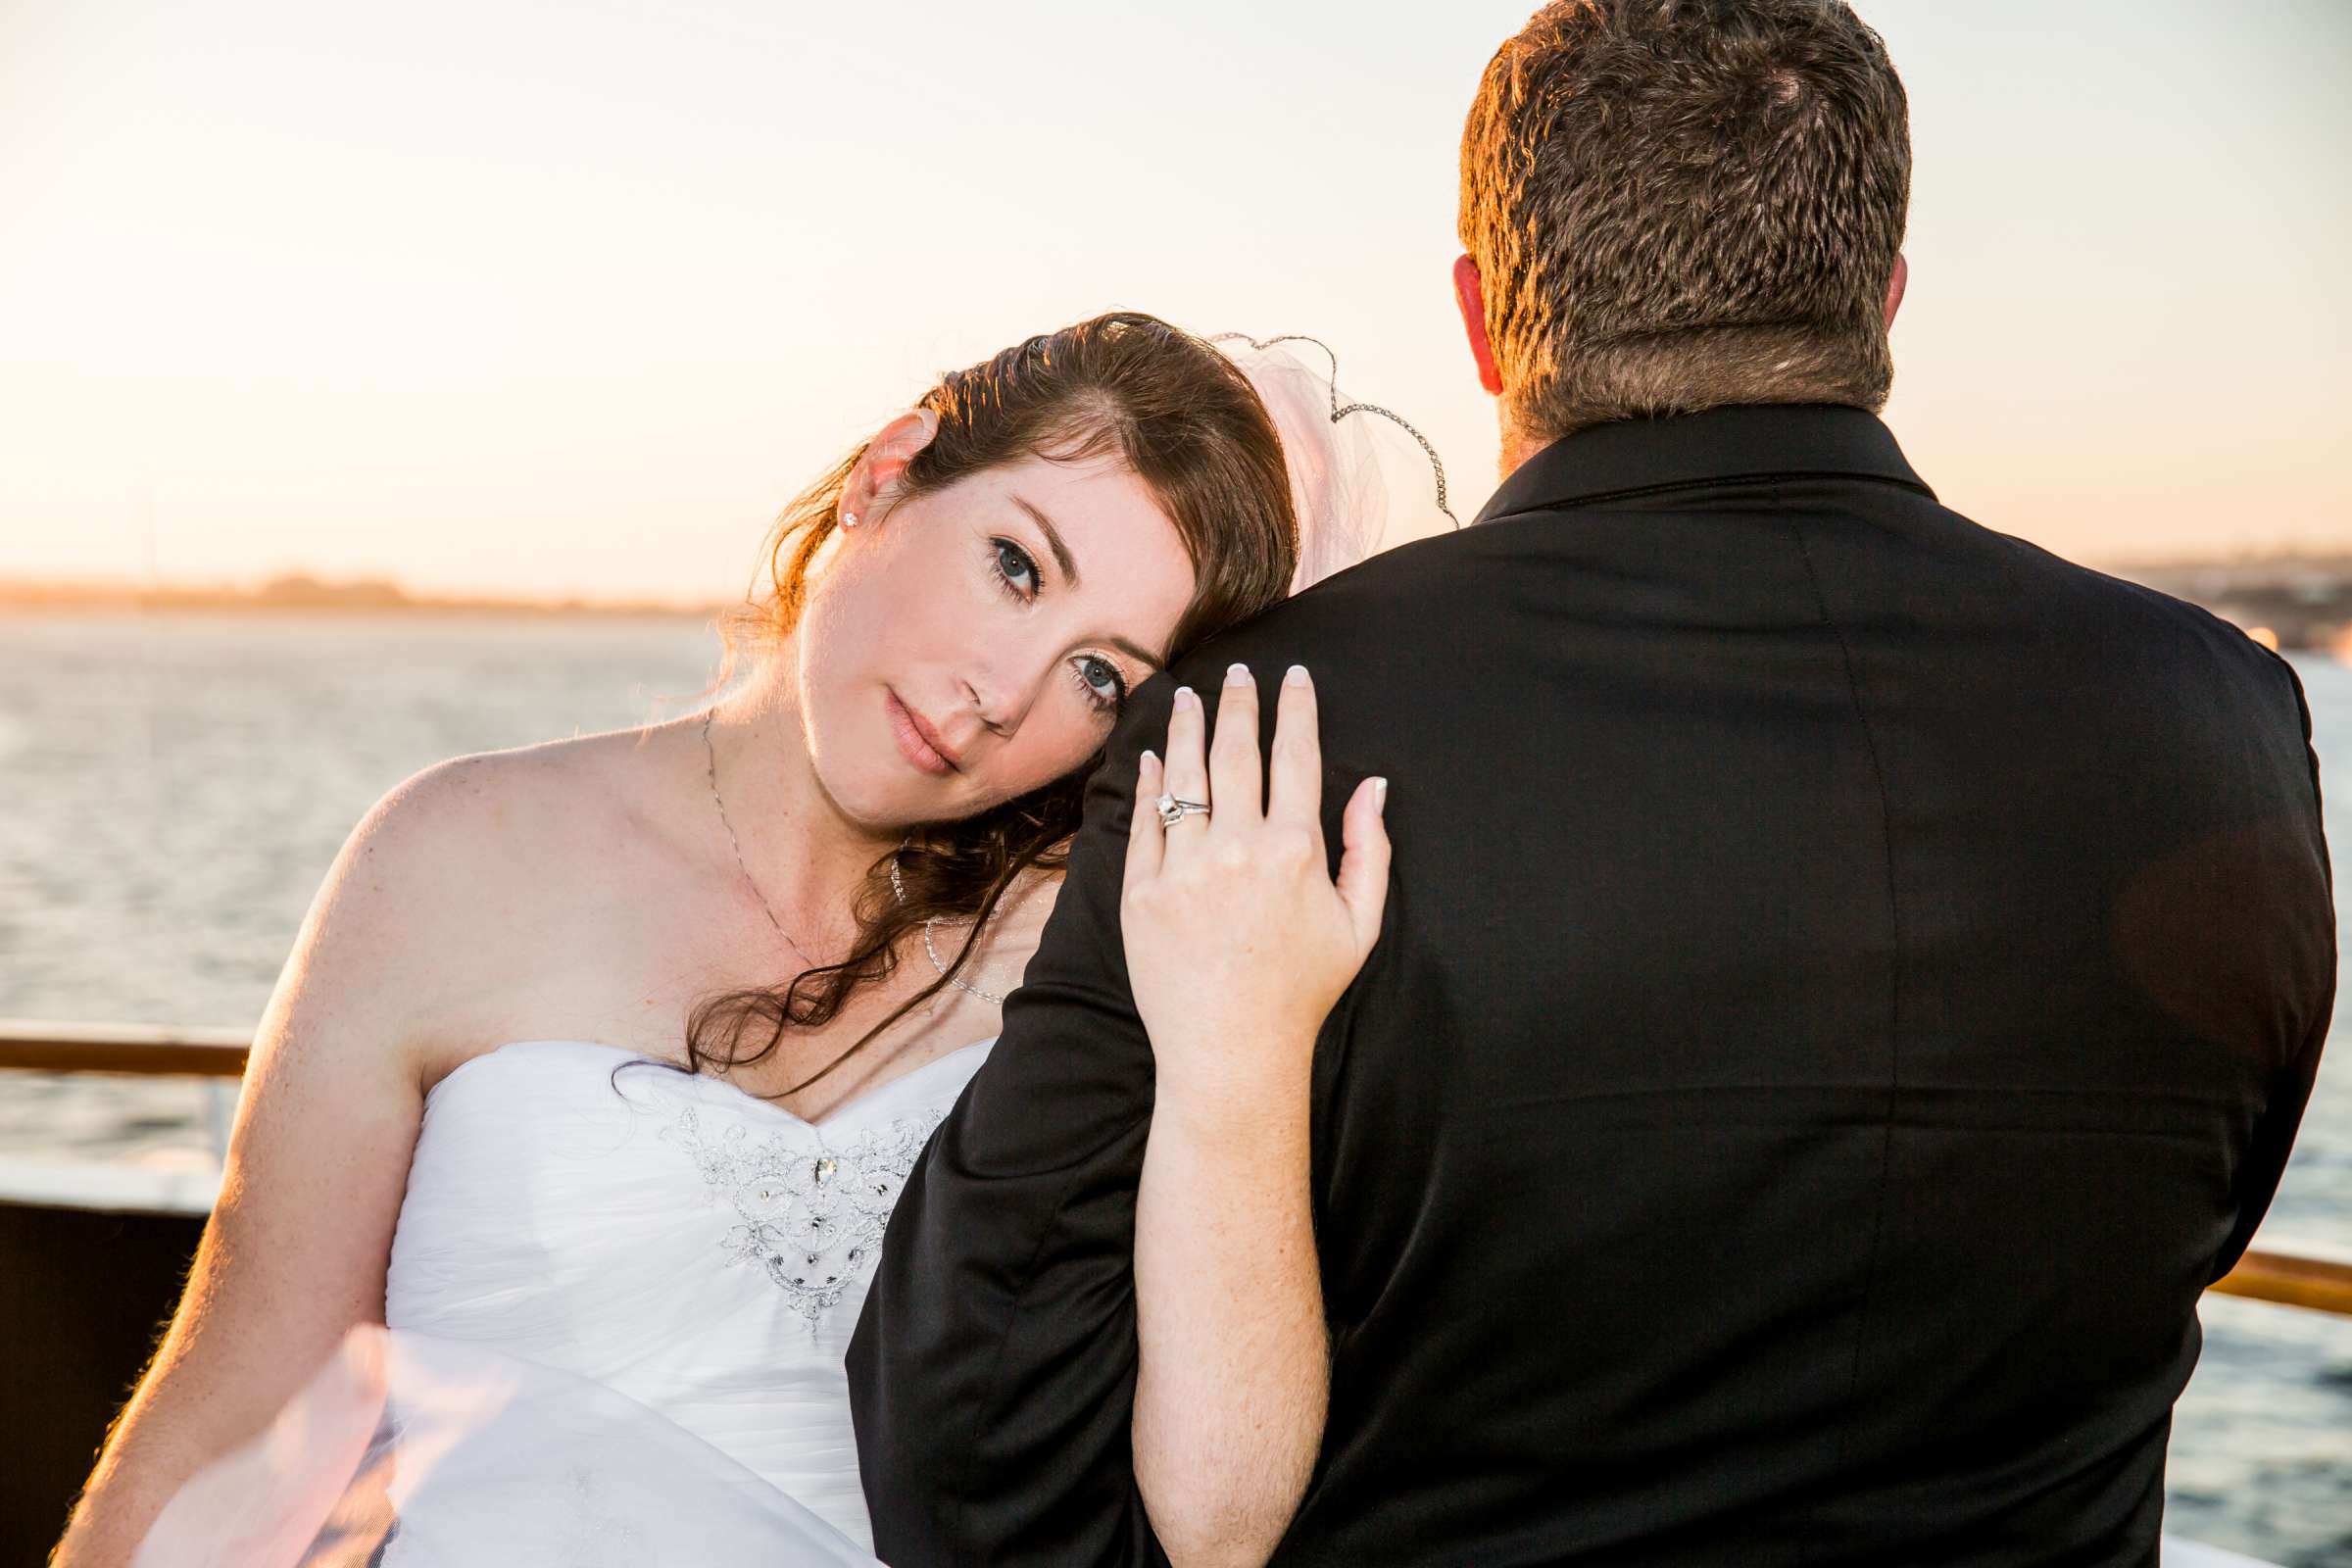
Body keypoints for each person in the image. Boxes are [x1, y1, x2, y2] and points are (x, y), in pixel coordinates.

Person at [849, 4, 2335, 1564]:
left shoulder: (1261, 738)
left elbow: (982, 1456)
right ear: (1885, 303)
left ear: (1485, 319)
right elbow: (2201, 1221)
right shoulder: (2222, 717)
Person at [54, 312, 1410, 1566]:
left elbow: (1218, 1515)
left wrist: (1249, 1027)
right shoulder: (454, 854)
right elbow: (228, 1418)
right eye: (1014, 567)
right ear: (892, 471)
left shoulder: (1094, 960)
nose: (1004, 695)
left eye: (1101, 675)